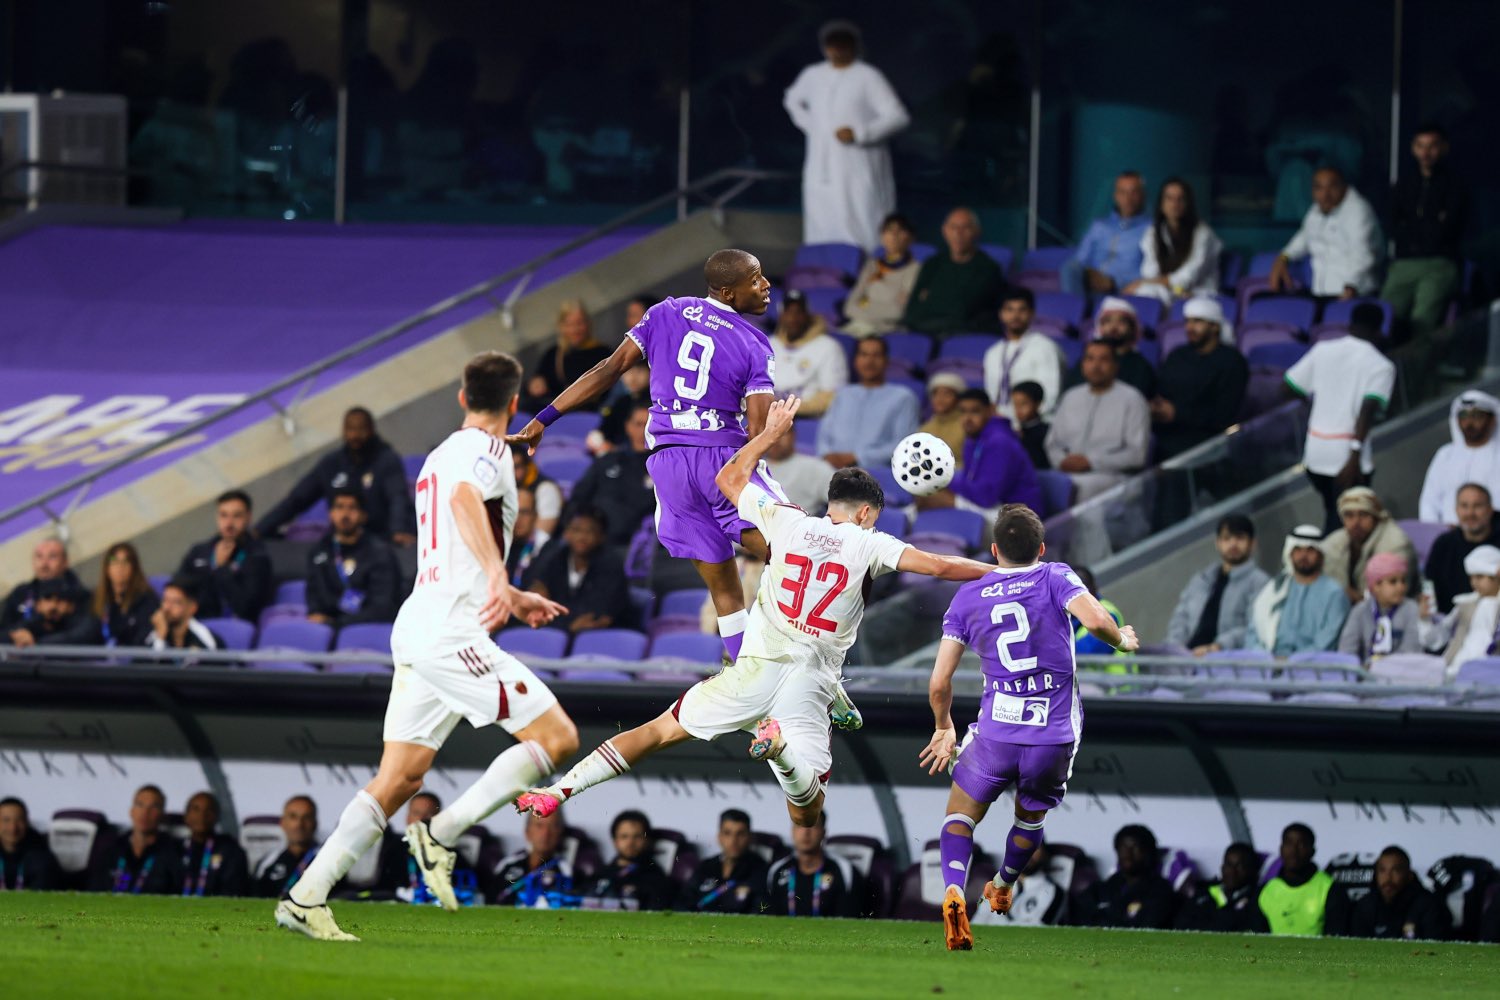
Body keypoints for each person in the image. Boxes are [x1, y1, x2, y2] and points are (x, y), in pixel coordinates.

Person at [516, 397, 997, 838]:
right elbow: (939, 566)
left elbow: (728, 479)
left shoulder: (787, 519)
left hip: (756, 665)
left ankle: (557, 792)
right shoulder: (871, 542)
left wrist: (767, 435)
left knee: (657, 731)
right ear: (868, 513)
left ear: (830, 503)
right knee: (807, 815)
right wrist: (1004, 572)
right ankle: (783, 749)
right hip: (808, 680)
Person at [275, 351, 580, 941]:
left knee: (400, 779)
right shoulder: (491, 451)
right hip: (450, 631)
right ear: (514, 404)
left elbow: (453, 541)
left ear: (463, 398)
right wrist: (497, 577)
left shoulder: (437, 456)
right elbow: (466, 504)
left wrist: (510, 592)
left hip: (419, 623)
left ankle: (306, 896)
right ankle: (440, 833)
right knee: (557, 738)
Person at [509, 249, 782, 663]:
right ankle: (816, 662)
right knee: (798, 554)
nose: (766, 286)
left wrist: (545, 417)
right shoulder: (754, 343)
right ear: (728, 292)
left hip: (669, 467)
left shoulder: (664, 312)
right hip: (722, 460)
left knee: (725, 589)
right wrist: (773, 434)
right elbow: (758, 432)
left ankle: (745, 670)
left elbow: (609, 368)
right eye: (756, 279)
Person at [920, 504, 1140, 949]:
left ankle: (953, 889)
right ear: (1040, 548)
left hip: (996, 734)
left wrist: (944, 725)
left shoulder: (968, 596)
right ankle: (1003, 882)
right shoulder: (1055, 575)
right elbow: (1096, 620)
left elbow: (939, 680)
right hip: (1051, 736)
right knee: (1030, 815)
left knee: (960, 817)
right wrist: (1122, 641)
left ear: (994, 549)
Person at [783, 20, 909, 251]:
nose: (838, 49)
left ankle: (867, 276)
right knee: (821, 222)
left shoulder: (868, 76)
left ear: (854, 45)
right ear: (825, 47)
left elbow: (898, 116)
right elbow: (792, 99)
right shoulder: (813, 75)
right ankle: (824, 279)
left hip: (858, 168)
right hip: (820, 168)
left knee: (861, 221)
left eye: (844, 43)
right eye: (833, 44)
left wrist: (860, 133)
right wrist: (813, 126)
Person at [1286, 303, 1397, 530]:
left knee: (1332, 512)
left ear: (1349, 324)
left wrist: (1311, 403)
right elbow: (1367, 411)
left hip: (1315, 452)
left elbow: (1287, 388)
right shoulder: (1381, 365)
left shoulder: (1323, 349)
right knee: (1351, 522)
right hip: (1347, 456)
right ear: (1379, 330)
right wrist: (1354, 455)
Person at [256, 407, 417, 544]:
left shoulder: (387, 461)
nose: (354, 435)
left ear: (371, 430)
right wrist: (260, 529)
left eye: (361, 429)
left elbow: (398, 498)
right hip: (342, 542)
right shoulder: (331, 464)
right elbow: (297, 499)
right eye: (350, 429)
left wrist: (399, 530)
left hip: (382, 539)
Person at [1381, 124, 1468, 340]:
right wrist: (1427, 226)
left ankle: (1419, 372)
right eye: (1421, 146)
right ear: (1413, 148)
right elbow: (1392, 223)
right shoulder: (1404, 183)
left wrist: (1418, 229)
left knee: (1422, 320)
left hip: (1440, 263)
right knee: (1384, 315)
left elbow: (1450, 227)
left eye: (1432, 146)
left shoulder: (1455, 184)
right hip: (1404, 261)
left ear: (1444, 148)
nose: (1426, 153)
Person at [1044, 341, 1150, 503]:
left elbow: (1137, 455)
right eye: (1090, 359)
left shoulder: (1132, 399)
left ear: (1115, 366)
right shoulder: (1071, 397)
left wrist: (1091, 462)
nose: (1096, 365)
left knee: (1076, 488)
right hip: (1067, 472)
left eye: (1103, 360)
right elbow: (1052, 443)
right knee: (1036, 481)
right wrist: (1062, 461)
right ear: (1083, 365)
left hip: (1111, 476)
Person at [916, 390, 1042, 519]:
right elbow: (971, 483)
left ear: (990, 410)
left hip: (1019, 518)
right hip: (992, 506)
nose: (968, 418)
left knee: (936, 498)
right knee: (927, 492)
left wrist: (946, 478)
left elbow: (986, 497)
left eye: (975, 411)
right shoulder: (973, 438)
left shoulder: (1000, 441)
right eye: (963, 412)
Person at [1151, 296, 1248, 459]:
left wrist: (1177, 413)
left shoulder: (1232, 362)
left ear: (1215, 326)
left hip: (1206, 440)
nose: (1189, 327)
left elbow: (1223, 415)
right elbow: (1162, 389)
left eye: (1197, 322)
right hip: (1167, 432)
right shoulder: (1178, 355)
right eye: (1187, 321)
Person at [1269, 166, 1383, 299]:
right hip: (1323, 293)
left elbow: (1363, 255)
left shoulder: (1358, 211)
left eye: (1332, 187)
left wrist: (1351, 286)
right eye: (1319, 188)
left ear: (1344, 187)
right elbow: (1304, 237)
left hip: (1356, 295)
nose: (1325, 194)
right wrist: (1284, 257)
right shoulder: (1316, 210)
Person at [1164, 514, 1271, 654]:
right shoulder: (1201, 579)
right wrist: (1175, 647)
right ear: (1218, 543)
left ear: (1252, 543)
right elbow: (1180, 618)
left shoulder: (1260, 582)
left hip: (1228, 659)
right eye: (1227, 538)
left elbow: (1256, 628)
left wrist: (1218, 646)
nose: (1233, 544)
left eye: (1240, 538)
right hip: (1187, 657)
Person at [525, 506, 634, 633]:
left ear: (601, 537)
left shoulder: (611, 565)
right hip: (557, 632)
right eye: (576, 530)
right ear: (566, 533)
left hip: (599, 638)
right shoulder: (555, 557)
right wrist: (568, 626)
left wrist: (559, 622)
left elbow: (595, 616)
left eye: (590, 531)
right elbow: (535, 590)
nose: (582, 537)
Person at [816, 338, 920, 470]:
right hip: (831, 469)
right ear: (855, 361)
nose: (869, 362)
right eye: (864, 355)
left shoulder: (903, 397)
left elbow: (903, 444)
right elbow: (824, 435)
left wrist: (857, 457)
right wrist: (827, 454)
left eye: (876, 355)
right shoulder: (843, 394)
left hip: (876, 473)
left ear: (886, 361)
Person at [901, 208, 1006, 336]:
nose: (958, 233)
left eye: (965, 228)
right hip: (925, 330)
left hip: (964, 333)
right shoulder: (932, 263)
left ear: (977, 232)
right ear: (944, 231)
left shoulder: (988, 268)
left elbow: (964, 310)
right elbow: (913, 308)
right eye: (953, 227)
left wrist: (931, 299)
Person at [1247, 525, 1350, 656]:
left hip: (1313, 670)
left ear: (1321, 554)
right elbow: (1254, 631)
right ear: (1290, 553)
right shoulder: (1275, 588)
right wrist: (1265, 659)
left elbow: (1326, 643)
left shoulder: (1334, 594)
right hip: (1268, 666)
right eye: (1298, 550)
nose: (1303, 555)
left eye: (1310, 550)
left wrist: (1291, 663)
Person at [306, 488, 402, 628]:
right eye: (339, 507)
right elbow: (314, 598)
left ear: (363, 515)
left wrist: (337, 623)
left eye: (352, 508)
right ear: (331, 514)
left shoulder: (380, 552)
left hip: (368, 627)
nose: (345, 514)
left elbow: (383, 607)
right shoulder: (319, 551)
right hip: (329, 627)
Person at [568, 401, 655, 550]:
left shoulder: (663, 467)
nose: (643, 431)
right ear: (627, 426)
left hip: (633, 546)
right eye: (638, 424)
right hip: (593, 540)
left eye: (648, 425)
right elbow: (579, 496)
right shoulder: (607, 460)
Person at [176, 490, 273, 622]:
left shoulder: (258, 557)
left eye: (237, 516)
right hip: (196, 624)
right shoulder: (199, 551)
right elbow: (178, 589)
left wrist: (222, 568)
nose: (229, 523)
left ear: (248, 517)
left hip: (235, 630)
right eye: (223, 515)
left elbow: (247, 609)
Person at [1126, 177, 1222, 306]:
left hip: (1198, 294)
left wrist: (1145, 283)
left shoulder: (1203, 234)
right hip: (1172, 291)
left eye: (1180, 199)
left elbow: (1186, 278)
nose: (1174, 204)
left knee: (1146, 289)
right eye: (1169, 198)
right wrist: (1146, 284)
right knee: (1144, 292)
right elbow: (1150, 272)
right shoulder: (1153, 232)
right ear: (1161, 203)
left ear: (1188, 203)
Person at [1321, 487, 1420, 605]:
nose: (1355, 522)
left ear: (1376, 517)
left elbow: (1389, 598)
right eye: (1349, 515)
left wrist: (1350, 596)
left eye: (1363, 514)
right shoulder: (1336, 541)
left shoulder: (1396, 544)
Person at [1060, 171, 1150, 296]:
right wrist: (1090, 273)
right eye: (1122, 192)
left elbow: (1151, 271)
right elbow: (1079, 260)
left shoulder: (1151, 229)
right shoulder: (1100, 226)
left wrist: (1114, 282)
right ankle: (1074, 309)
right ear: (1115, 195)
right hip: (1090, 284)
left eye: (1133, 192)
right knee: (1069, 269)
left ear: (1143, 195)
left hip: (1123, 289)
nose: (1128, 198)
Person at [1071, 825, 1177, 931]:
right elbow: (1078, 918)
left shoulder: (1160, 890)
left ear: (1148, 851)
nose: (1128, 853)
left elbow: (1146, 926)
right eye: (1123, 847)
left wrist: (1104, 919)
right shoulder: (1103, 888)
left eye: (1135, 846)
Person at [1419, 391, 1500, 525]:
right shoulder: (1445, 455)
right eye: (1463, 416)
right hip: (1449, 537)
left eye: (1476, 416)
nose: (1469, 422)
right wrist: (1436, 532)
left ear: (1492, 420)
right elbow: (1429, 501)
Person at [982, 287, 1064, 419]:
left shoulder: (1045, 347)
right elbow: (991, 395)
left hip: (1034, 423)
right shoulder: (992, 353)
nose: (1015, 316)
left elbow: (1050, 396)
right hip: (999, 422)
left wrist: (1020, 418)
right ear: (1001, 314)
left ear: (1032, 313)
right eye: (1010, 310)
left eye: (1022, 310)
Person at [1258, 823, 1351, 936]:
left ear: (1312, 851)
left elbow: (1337, 940)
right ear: (1281, 849)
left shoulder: (1331, 889)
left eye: (1301, 844)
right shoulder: (1265, 890)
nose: (1293, 851)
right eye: (1288, 843)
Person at [89, 785, 183, 895]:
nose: (145, 813)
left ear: (162, 815)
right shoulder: (112, 850)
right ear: (131, 811)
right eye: (140, 805)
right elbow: (93, 891)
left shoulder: (174, 853)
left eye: (154, 807)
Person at [520, 301, 611, 414]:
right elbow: (536, 381)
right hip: (557, 412)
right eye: (569, 325)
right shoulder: (553, 354)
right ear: (561, 327)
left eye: (579, 323)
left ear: (588, 324)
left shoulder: (603, 353)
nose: (575, 330)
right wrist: (533, 385)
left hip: (587, 411)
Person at [764, 812, 860, 917]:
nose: (806, 832)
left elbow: (850, 919)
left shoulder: (844, 870)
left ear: (823, 832)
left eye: (813, 826)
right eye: (799, 826)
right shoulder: (777, 871)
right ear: (792, 831)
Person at [675, 808, 768, 915]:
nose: (733, 841)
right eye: (727, 833)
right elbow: (682, 904)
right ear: (719, 837)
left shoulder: (760, 870)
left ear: (749, 837)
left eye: (740, 834)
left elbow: (761, 911)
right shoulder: (706, 867)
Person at [1347, 846, 1452, 940]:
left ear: (1409, 875)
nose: (1387, 878)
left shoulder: (1428, 905)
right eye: (1382, 870)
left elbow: (1436, 948)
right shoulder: (1365, 905)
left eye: (1395, 870)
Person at [1338, 553, 1429, 661]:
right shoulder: (1360, 611)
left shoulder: (1411, 609)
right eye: (1393, 582)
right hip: (1365, 673)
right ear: (1376, 586)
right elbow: (1346, 650)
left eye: (1403, 581)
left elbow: (1411, 651)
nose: (1401, 587)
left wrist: (1382, 668)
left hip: (1401, 674)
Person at [842, 213, 921, 336]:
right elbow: (849, 307)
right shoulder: (872, 265)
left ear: (910, 238)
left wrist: (865, 308)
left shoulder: (915, 269)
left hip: (887, 331)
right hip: (858, 326)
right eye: (889, 231)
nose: (894, 236)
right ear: (882, 237)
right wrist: (877, 309)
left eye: (900, 231)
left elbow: (898, 312)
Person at [1063, 297, 1157, 400]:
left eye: (1121, 322)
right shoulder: (1087, 360)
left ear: (1133, 329)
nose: (1113, 327)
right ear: (1100, 327)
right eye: (1107, 322)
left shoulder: (1141, 367)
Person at [1425, 484, 1500, 613]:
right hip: (1452, 622)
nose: (1470, 513)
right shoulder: (1443, 544)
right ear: (1456, 510)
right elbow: (1428, 585)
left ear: (1490, 509)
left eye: (1477, 506)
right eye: (1464, 506)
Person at [771, 289, 846, 417]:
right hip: (768, 417)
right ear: (781, 315)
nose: (793, 318)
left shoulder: (828, 346)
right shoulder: (768, 344)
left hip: (808, 420)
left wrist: (788, 409)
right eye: (788, 312)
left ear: (807, 315)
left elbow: (831, 397)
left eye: (798, 312)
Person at [587, 810, 673, 911]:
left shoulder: (656, 878)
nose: (630, 842)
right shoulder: (600, 874)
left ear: (647, 840)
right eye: (624, 836)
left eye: (637, 837)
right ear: (615, 841)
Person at [1433, 545, 1500, 675]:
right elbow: (1438, 638)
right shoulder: (1464, 604)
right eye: (1471, 578)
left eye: (1480, 577)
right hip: (1456, 667)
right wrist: (1424, 619)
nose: (1474, 583)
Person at [1174, 843, 1269, 933]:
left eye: (1240, 866)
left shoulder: (1258, 898)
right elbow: (1180, 926)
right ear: (1222, 866)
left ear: (1251, 869)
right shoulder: (1203, 893)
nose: (1232, 871)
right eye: (1228, 864)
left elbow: (1254, 931)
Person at [489, 809, 574, 907]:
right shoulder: (508, 864)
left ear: (560, 833)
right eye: (539, 826)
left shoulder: (565, 870)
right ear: (527, 831)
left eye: (552, 826)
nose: (545, 833)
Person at [2, 538, 87, 634]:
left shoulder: (80, 595)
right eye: (39, 556)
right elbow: (4, 632)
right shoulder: (20, 594)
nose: (44, 564)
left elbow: (87, 634)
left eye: (52, 557)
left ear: (65, 562)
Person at [179, 791, 249, 898]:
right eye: (196, 809)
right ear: (186, 816)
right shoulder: (174, 849)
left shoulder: (231, 850)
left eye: (209, 810)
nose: (202, 815)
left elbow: (234, 890)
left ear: (216, 816)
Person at [91, 542, 159, 647]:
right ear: (107, 568)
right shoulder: (98, 600)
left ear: (134, 568)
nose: (120, 567)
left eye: (126, 562)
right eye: (114, 562)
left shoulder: (145, 599)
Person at [256, 795, 322, 898]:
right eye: (293, 817)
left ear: (315, 823)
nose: (299, 824)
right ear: (282, 823)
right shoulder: (268, 862)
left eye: (306, 818)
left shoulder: (329, 860)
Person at [1, 577, 98, 647]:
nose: (53, 606)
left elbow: (76, 637)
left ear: (70, 606)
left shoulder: (78, 622)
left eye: (60, 600)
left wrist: (35, 643)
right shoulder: (36, 622)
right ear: (38, 605)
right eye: (48, 599)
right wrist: (17, 637)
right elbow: (8, 634)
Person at [765, 421, 830, 515]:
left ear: (793, 435)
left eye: (783, 433)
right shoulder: (751, 469)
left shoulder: (815, 468)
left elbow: (847, 500)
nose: (777, 439)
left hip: (802, 526)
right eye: (770, 433)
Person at [0, 797, 62, 891]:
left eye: (19, 820)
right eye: (6, 820)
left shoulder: (42, 857)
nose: (13, 828)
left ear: (27, 822)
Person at [147, 578, 223, 652]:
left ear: (192, 608)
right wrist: (160, 638)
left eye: (176, 602)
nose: (167, 608)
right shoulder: (152, 634)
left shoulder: (206, 639)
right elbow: (144, 664)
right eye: (165, 600)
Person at [512, 446, 563, 537]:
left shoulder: (546, 489)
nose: (511, 472)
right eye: (506, 467)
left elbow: (541, 540)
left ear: (527, 467)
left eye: (516, 467)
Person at [920, 373, 968, 465]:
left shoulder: (966, 425)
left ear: (958, 399)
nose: (940, 399)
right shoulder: (925, 428)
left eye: (947, 394)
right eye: (936, 394)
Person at [505, 488, 549, 587]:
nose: (517, 519)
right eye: (513, 512)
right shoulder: (498, 543)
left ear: (535, 516)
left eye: (524, 512)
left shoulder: (547, 548)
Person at [1010, 382, 1050, 470]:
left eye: (1023, 403)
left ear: (1038, 404)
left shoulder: (1047, 432)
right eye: (1015, 404)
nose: (1018, 409)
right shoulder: (1015, 431)